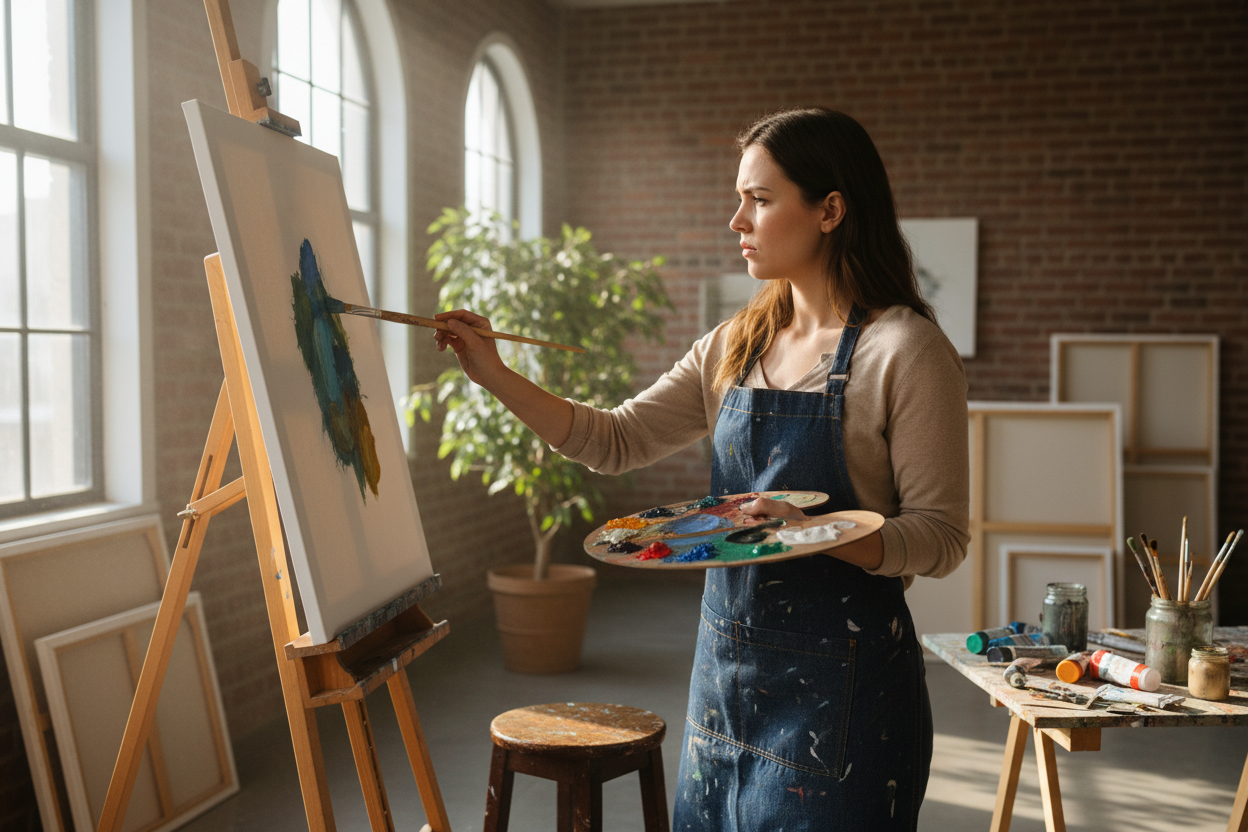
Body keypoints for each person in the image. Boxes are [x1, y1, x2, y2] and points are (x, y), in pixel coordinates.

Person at [431, 107, 969, 831]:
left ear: (831, 210)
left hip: (846, 692)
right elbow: (614, 439)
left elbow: (939, 537)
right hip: (726, 677)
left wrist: (817, 533)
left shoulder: (905, 349)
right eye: (740, 198)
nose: (736, 220)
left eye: (760, 199)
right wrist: (493, 373)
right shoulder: (732, 345)